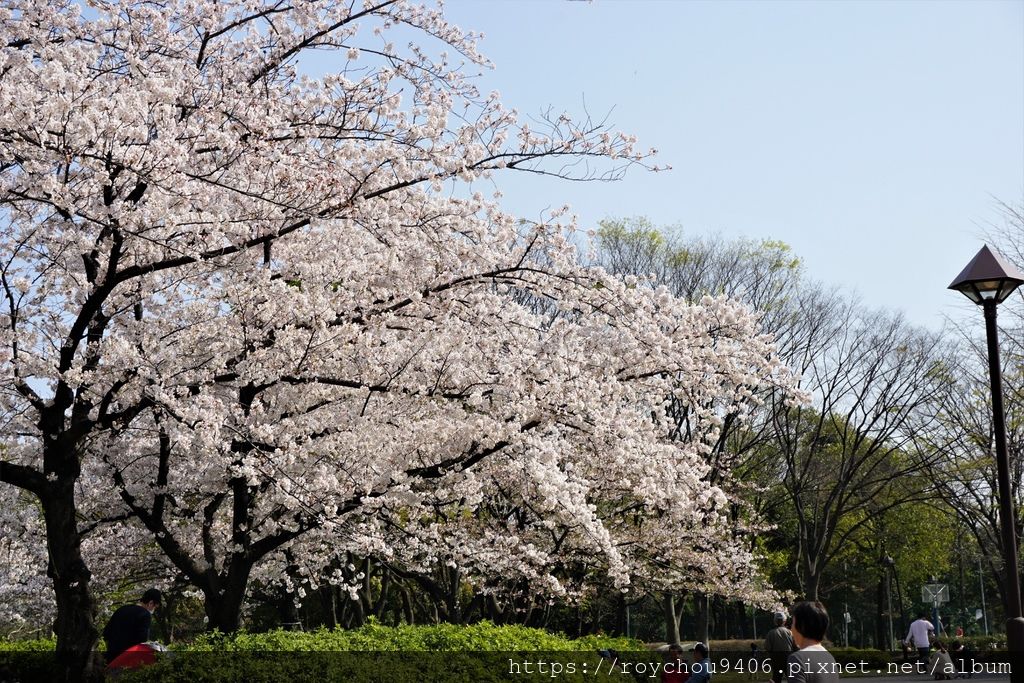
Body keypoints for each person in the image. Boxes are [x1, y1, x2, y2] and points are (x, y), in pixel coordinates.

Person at [102, 588, 161, 664]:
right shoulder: (145, 615)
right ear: (151, 603)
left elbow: (106, 633)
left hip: (111, 656)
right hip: (128, 659)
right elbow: (142, 640)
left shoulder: (122, 609)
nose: (154, 610)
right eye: (155, 607)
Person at [786, 601, 839, 683]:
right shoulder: (830, 658)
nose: (791, 629)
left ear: (801, 626)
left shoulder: (797, 659)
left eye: (792, 623)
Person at [765, 611, 796, 683]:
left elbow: (767, 647)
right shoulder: (790, 632)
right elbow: (795, 646)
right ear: (784, 621)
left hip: (776, 657)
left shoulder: (771, 633)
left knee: (776, 678)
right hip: (788, 656)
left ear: (775, 621)